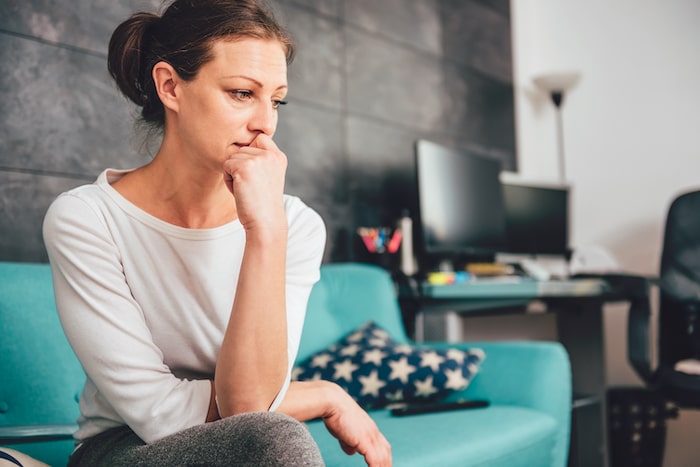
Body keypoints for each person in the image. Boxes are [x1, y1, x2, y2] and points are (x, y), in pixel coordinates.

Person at [42, 0, 391, 465]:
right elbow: (160, 413)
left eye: (276, 100)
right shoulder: (87, 219)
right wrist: (322, 395)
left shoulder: (297, 225)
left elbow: (250, 408)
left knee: (270, 435)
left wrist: (265, 230)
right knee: (276, 439)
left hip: (248, 438)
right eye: (243, 93)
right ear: (170, 86)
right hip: (121, 448)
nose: (265, 123)